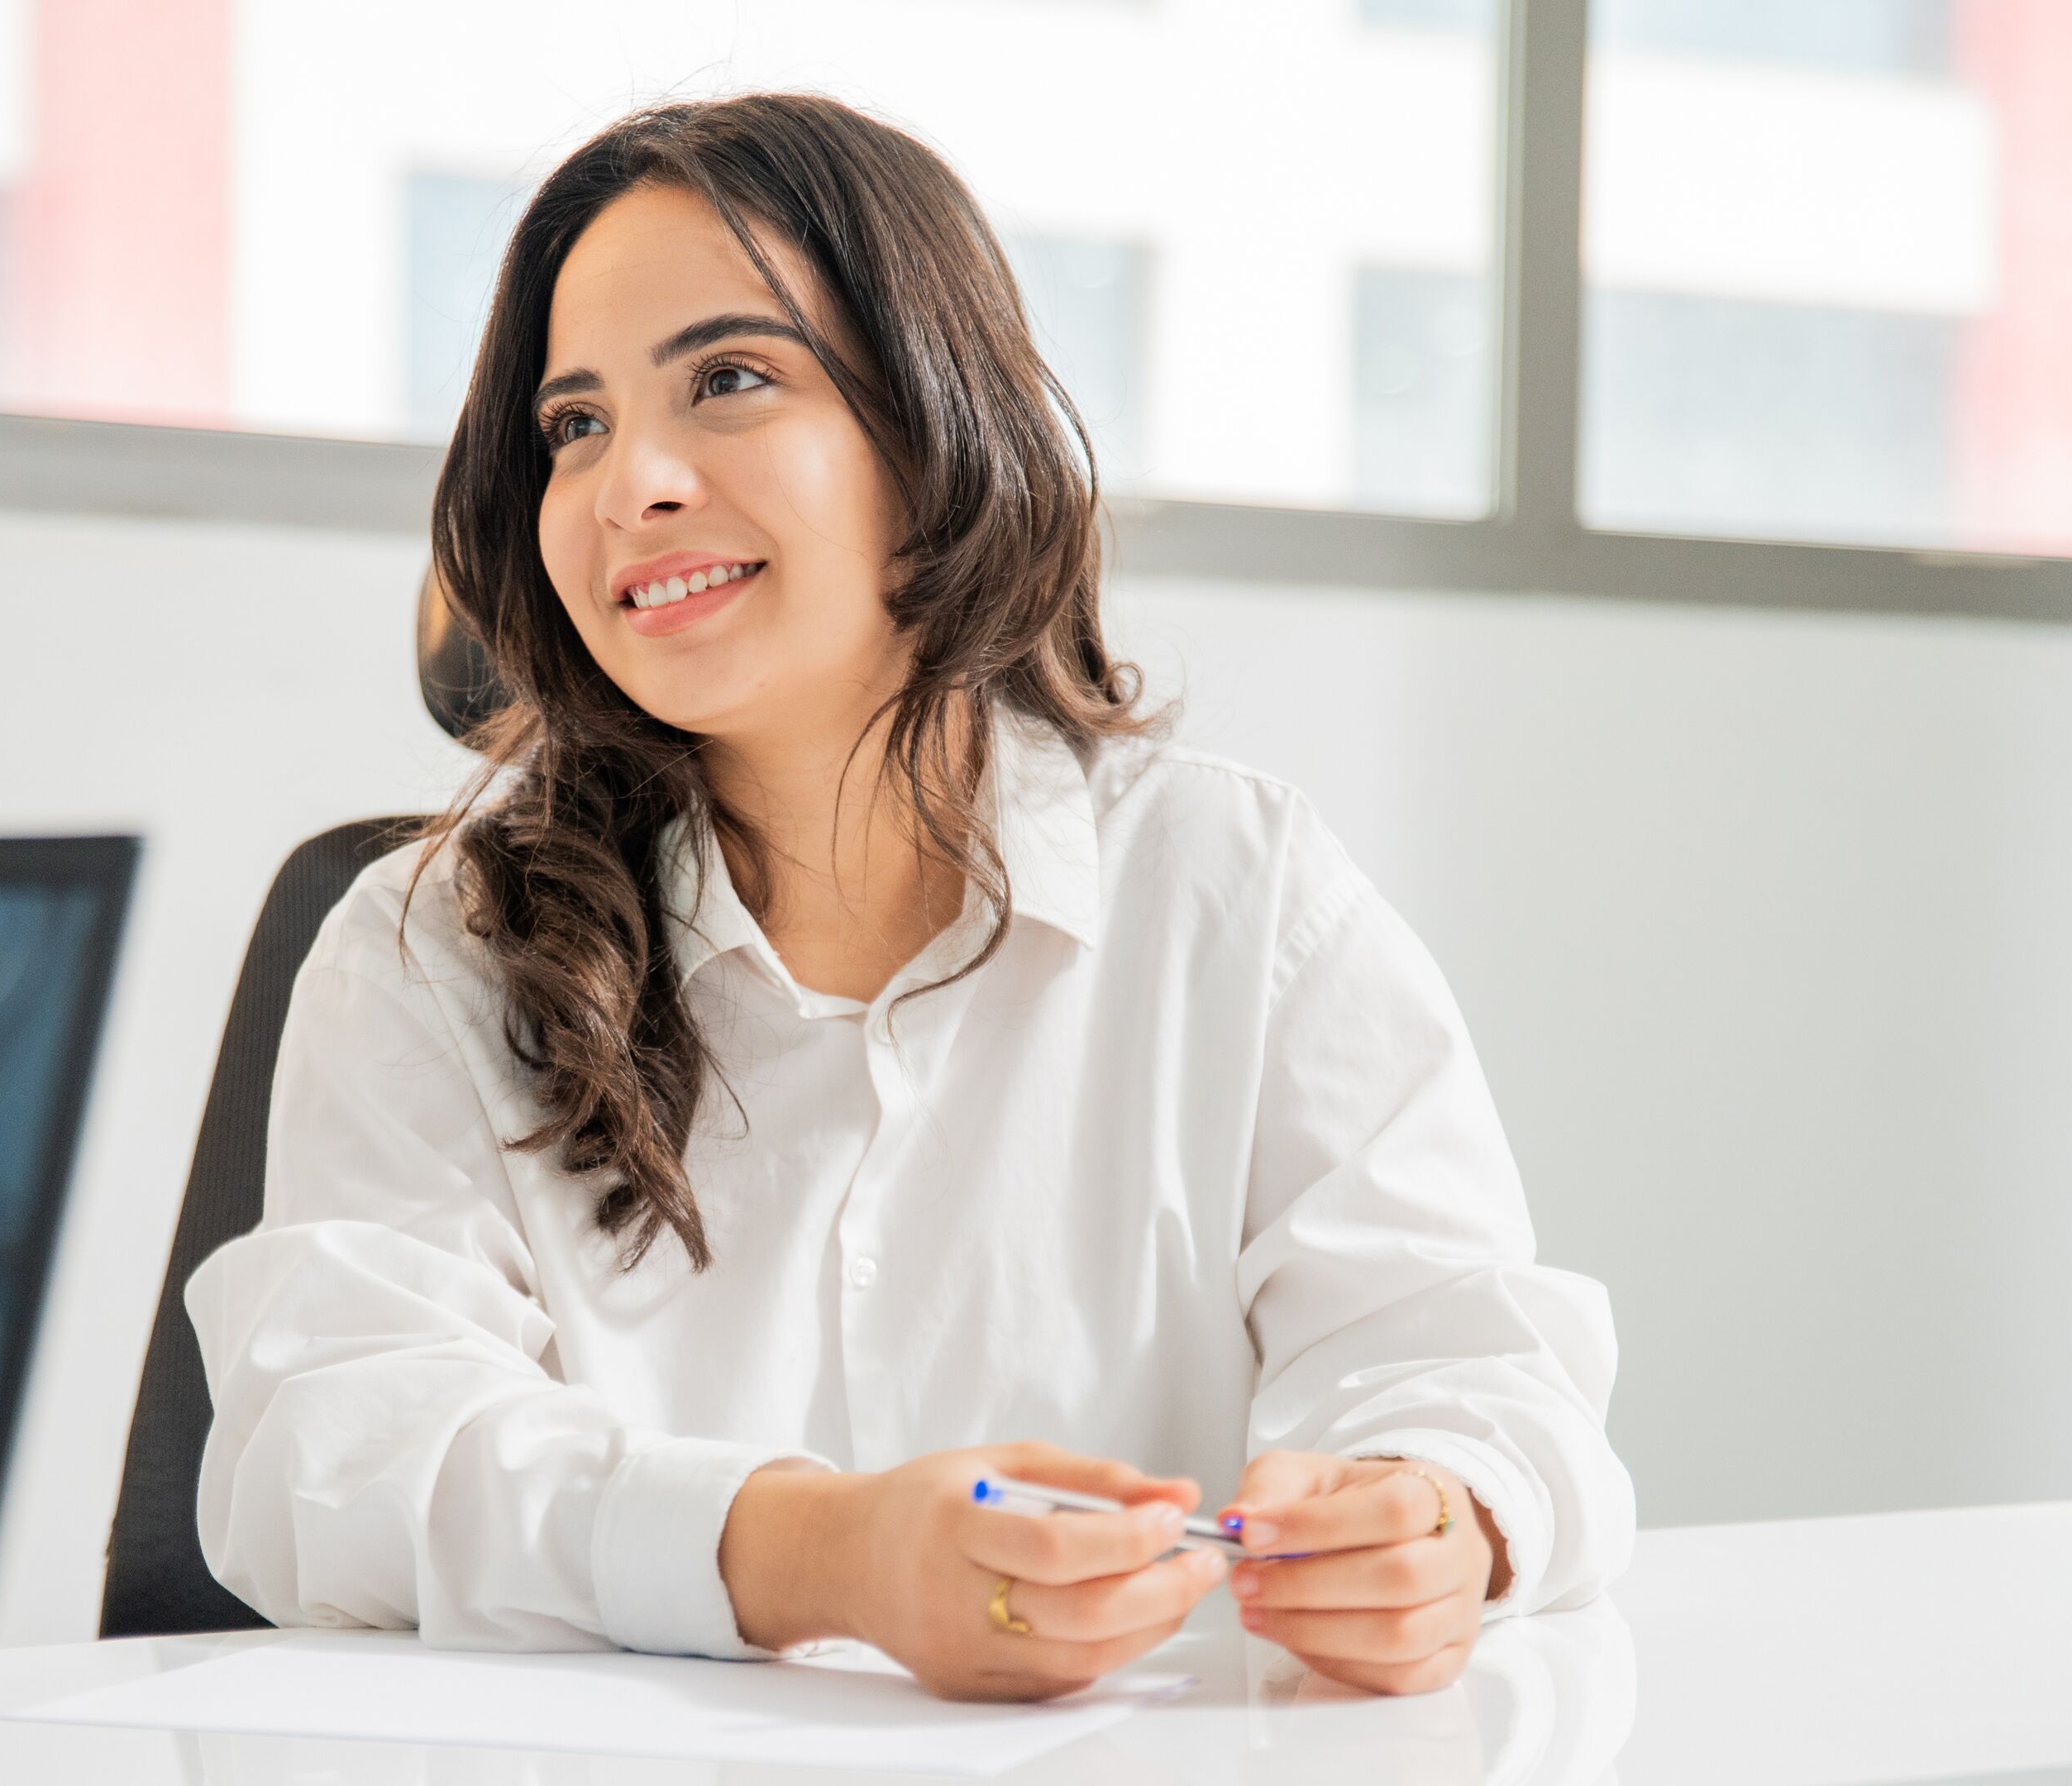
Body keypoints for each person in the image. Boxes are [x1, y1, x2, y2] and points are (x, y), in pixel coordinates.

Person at [186, 92, 1630, 1703]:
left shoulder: (1236, 894)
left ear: (935, 427)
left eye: (728, 380)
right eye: (573, 425)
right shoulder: (426, 952)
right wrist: (819, 1550)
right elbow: (332, 1458)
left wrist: (1439, 1516)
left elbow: (1473, 1366)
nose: (627, 482)